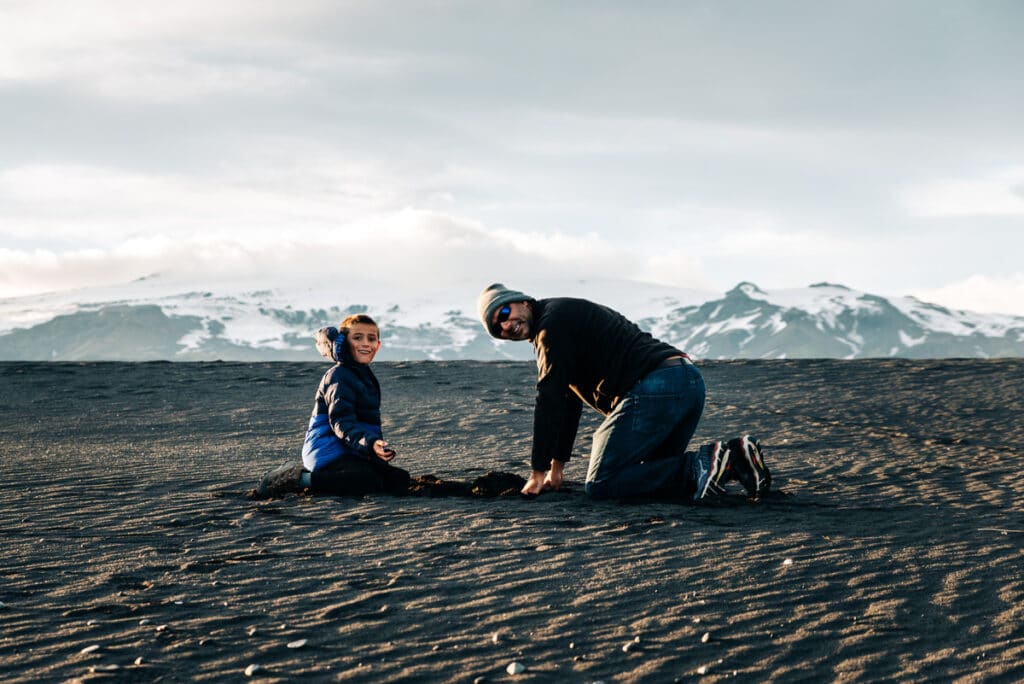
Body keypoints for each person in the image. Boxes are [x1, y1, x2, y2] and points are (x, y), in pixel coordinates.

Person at [476, 283, 771, 501]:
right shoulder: (560, 320)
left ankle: (711, 460)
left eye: (504, 312)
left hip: (657, 386)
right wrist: (556, 470)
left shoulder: (550, 326)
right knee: (648, 474)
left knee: (603, 482)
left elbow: (550, 398)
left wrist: (537, 474)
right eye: (497, 328)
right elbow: (566, 403)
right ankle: (737, 456)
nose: (505, 325)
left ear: (524, 302)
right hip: (688, 382)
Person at [255, 314, 409, 498]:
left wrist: (373, 449)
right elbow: (341, 423)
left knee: (399, 479)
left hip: (354, 449)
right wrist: (369, 444)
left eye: (371, 338)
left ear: (378, 345)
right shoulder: (338, 376)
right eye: (358, 338)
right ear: (344, 343)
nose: (366, 344)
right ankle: (297, 480)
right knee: (366, 480)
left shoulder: (364, 375)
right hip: (327, 451)